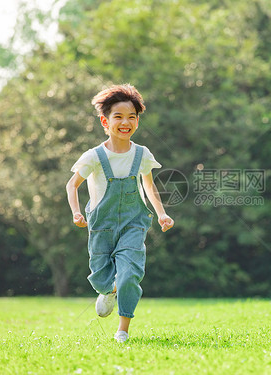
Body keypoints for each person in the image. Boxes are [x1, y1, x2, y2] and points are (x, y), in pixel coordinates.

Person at [66, 84, 174, 343]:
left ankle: (122, 330)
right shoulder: (94, 156)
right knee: (101, 276)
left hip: (133, 225)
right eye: (118, 116)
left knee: (129, 274)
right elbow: (72, 185)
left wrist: (161, 214)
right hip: (101, 226)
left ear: (137, 121)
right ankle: (108, 289)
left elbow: (149, 186)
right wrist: (76, 212)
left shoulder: (142, 154)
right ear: (105, 121)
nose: (125, 122)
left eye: (132, 117)